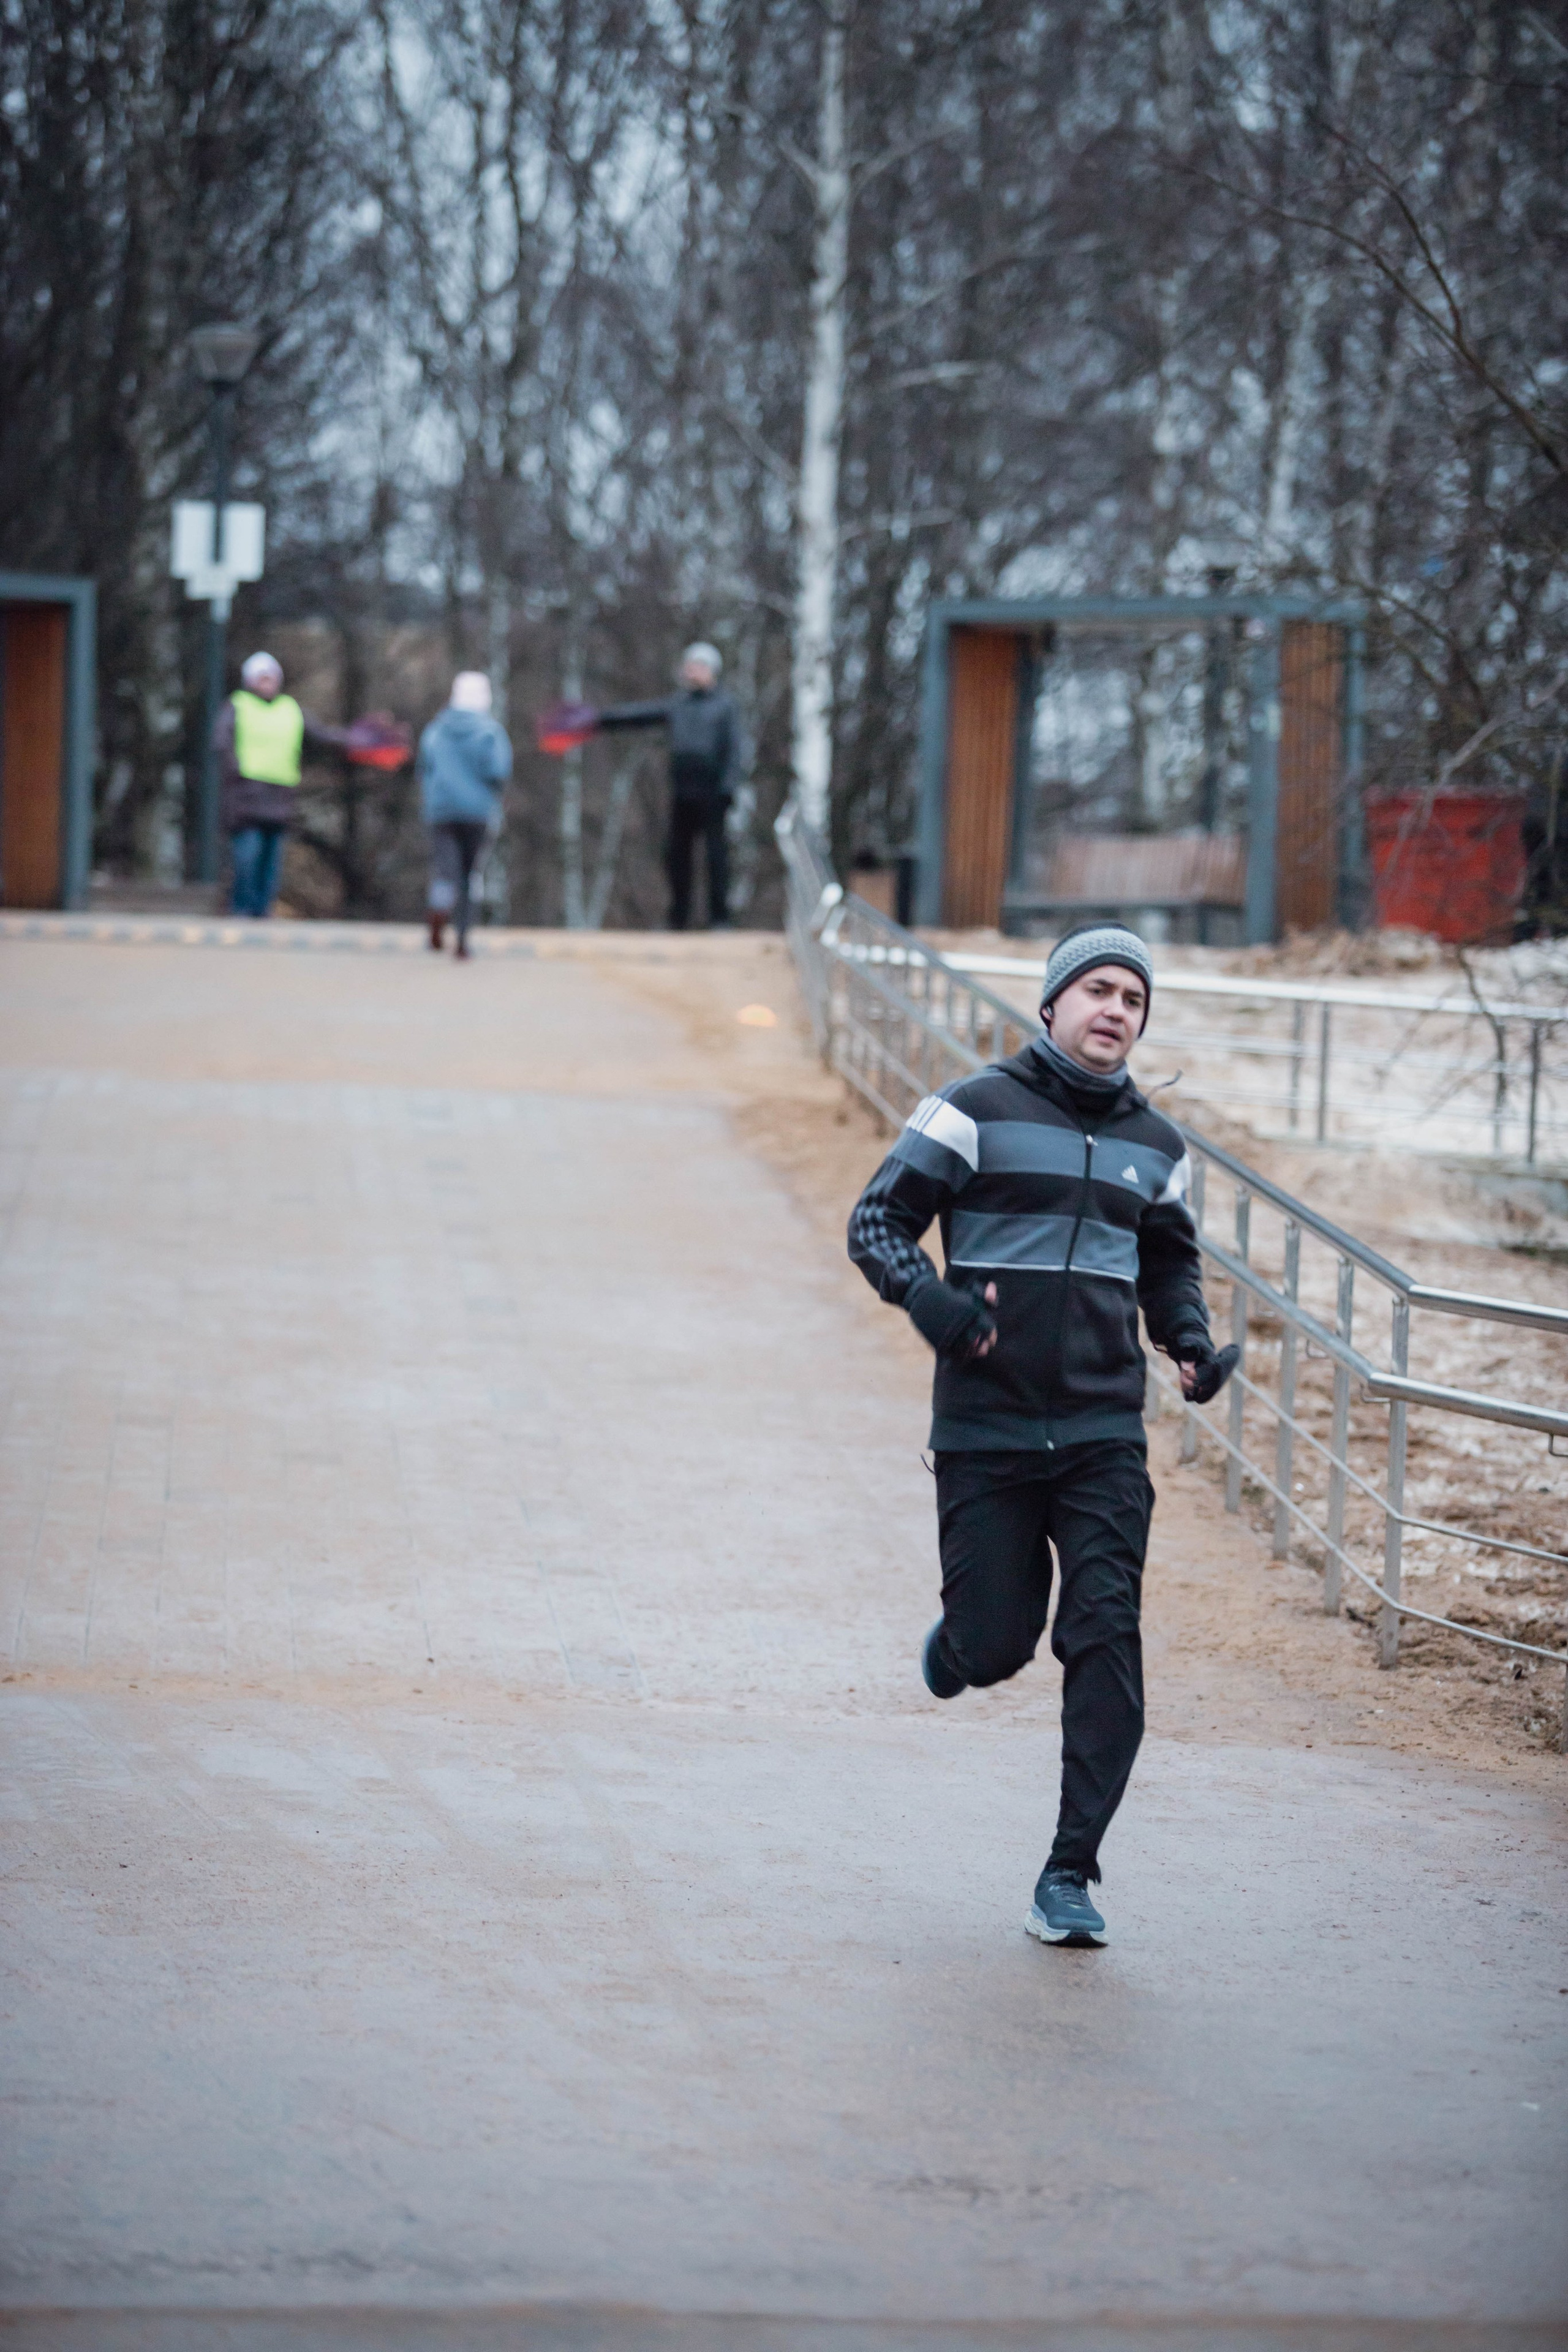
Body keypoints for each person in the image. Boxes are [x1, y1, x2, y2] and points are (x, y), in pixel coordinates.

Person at [847, 924, 1237, 1950]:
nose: (1117, 1011)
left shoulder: (1159, 1147)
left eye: (1135, 1000)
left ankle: (1071, 1872)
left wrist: (1188, 1345)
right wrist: (930, 1303)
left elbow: (1168, 1266)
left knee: (1105, 1639)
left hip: (1105, 1428)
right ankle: (966, 1646)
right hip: (987, 1426)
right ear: (1055, 1002)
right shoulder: (971, 1110)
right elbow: (875, 1223)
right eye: (1099, 990)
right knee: (998, 1644)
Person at [594, 643, 744, 929]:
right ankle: (678, 918)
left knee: (716, 857)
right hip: (682, 791)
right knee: (677, 857)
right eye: (688, 665)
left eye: (696, 666)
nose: (690, 671)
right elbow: (639, 715)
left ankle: (720, 919)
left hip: (713, 792)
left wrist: (729, 787)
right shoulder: (679, 705)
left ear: (710, 670)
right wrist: (600, 720)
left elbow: (735, 750)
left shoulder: (725, 707)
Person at [216, 652, 346, 918]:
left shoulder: (291, 709)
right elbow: (221, 743)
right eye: (262, 678)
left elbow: (324, 736)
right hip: (247, 800)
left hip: (279, 799)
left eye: (272, 678)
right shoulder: (237, 706)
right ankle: (241, 910)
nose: (268, 684)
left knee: (271, 864)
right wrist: (236, 774)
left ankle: (261, 911)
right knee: (247, 859)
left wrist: (362, 741)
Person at [418, 672, 513, 958]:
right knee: (470, 875)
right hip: (478, 813)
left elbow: (424, 768)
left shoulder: (435, 729)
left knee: (446, 872)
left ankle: (439, 911)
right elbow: (499, 772)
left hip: (441, 811)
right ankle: (462, 940)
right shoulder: (491, 733)